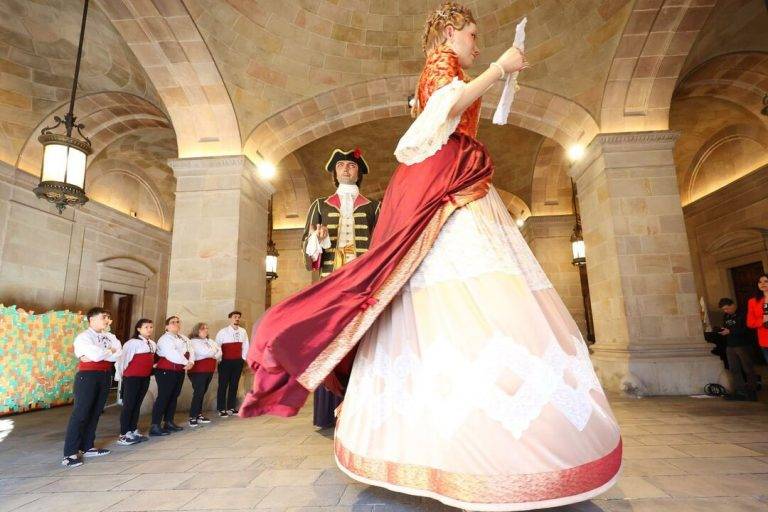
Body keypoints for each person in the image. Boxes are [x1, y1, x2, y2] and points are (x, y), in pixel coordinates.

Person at [241, 3, 621, 510]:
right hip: (444, 179)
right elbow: (446, 107)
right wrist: (499, 69)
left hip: (458, 179)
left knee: (476, 295)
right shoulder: (442, 65)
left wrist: (498, 74)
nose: (477, 43)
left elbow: (459, 110)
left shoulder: (455, 69)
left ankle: (481, 441)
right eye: (471, 34)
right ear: (447, 33)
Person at [302, 148, 380, 428]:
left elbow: (383, 242)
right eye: (342, 166)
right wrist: (318, 238)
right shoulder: (320, 205)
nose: (346, 169)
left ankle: (365, 406)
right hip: (331, 283)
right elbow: (307, 248)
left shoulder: (373, 206)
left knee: (365, 339)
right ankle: (329, 409)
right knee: (331, 341)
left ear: (359, 172)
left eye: (351, 165)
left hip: (363, 283)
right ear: (334, 173)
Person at [62, 307, 122, 468]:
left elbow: (118, 353)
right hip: (87, 377)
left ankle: (87, 446)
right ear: (92, 319)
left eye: (108, 317)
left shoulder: (110, 336)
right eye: (104, 317)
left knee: (96, 411)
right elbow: (95, 355)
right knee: (81, 413)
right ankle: (70, 452)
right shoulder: (84, 337)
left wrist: (104, 352)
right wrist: (108, 351)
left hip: (104, 375)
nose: (107, 320)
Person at [150, 316, 193, 436]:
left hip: (179, 370)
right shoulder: (165, 339)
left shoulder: (183, 337)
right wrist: (187, 362)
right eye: (172, 322)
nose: (176, 324)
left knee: (174, 396)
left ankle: (168, 421)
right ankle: (155, 425)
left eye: (178, 322)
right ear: (166, 326)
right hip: (166, 371)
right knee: (164, 397)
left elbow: (191, 350)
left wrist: (192, 362)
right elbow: (172, 354)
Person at [116, 319, 156, 445]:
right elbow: (123, 360)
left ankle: (133, 429)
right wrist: (121, 376)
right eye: (146, 327)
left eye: (150, 327)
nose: (149, 329)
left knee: (137, 404)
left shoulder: (152, 343)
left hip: (144, 377)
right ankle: (124, 433)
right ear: (138, 329)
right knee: (129, 405)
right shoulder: (132, 343)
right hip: (132, 377)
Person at [718, 298, 758, 401]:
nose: (726, 311)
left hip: (743, 344)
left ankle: (752, 391)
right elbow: (726, 327)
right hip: (730, 345)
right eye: (724, 309)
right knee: (734, 368)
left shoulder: (743, 314)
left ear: (733, 305)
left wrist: (730, 331)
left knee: (748, 368)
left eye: (727, 308)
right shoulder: (726, 316)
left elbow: (746, 329)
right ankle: (740, 391)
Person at [215, 311, 248, 417]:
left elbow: (246, 346)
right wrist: (219, 359)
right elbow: (217, 347)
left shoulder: (243, 331)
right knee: (223, 385)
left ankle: (231, 407)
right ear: (230, 319)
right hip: (225, 362)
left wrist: (243, 359)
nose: (237, 319)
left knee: (234, 385)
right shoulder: (222, 332)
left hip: (237, 362)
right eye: (235, 317)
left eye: (238, 317)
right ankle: (221, 408)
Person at [188, 322, 221, 426]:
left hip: (209, 370)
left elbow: (220, 352)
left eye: (207, 328)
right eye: (203, 329)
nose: (206, 330)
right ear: (197, 330)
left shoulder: (210, 341)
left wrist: (214, 353)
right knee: (198, 392)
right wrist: (213, 352)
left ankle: (199, 414)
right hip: (198, 371)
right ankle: (192, 416)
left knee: (202, 392)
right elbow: (207, 353)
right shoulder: (193, 342)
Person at [747, 273, 768, 364]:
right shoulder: (752, 301)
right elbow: (750, 323)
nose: (762, 283)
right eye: (760, 282)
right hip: (764, 338)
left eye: (766, 281)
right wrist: (762, 320)